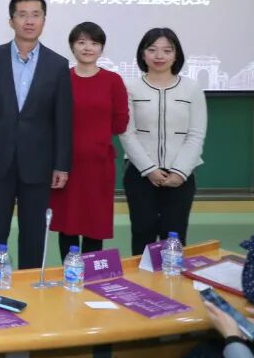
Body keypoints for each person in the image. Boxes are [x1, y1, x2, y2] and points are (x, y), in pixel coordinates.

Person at [0, 0, 72, 269]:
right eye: (22, 15)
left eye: (35, 15)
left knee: (34, 234)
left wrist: (61, 165)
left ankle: (30, 286)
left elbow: (62, 118)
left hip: (39, 164)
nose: (29, 21)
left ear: (44, 20)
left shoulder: (57, 64)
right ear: (11, 21)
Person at [120, 27, 206, 255]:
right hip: (140, 173)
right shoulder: (129, 88)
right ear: (142, 54)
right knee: (142, 233)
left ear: (176, 55)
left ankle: (172, 279)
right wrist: (149, 169)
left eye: (167, 50)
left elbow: (196, 134)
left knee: (175, 236)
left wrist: (180, 172)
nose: (159, 56)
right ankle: (141, 279)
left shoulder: (191, 88)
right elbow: (127, 133)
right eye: (152, 50)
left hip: (181, 176)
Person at [48, 22, 128, 258]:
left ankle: (92, 275)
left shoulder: (113, 80)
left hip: (98, 165)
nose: (87, 48)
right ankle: (70, 273)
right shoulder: (61, 79)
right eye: (81, 42)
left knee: (95, 225)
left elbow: (120, 123)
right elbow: (51, 121)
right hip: (66, 165)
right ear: (72, 46)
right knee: (67, 225)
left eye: (94, 43)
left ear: (102, 48)